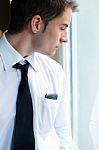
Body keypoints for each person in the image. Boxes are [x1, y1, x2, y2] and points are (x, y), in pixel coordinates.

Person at [0, 0, 78, 150]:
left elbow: (63, 134)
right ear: (36, 24)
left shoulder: (55, 72)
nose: (65, 38)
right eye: (62, 28)